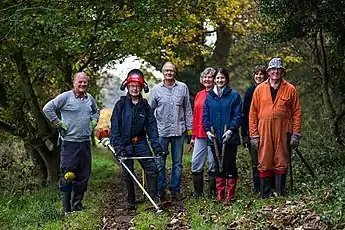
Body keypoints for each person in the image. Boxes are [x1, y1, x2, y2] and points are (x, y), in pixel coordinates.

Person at [43, 72, 100, 215]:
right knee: (68, 175)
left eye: (85, 82)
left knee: (83, 176)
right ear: (74, 83)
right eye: (80, 82)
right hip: (69, 143)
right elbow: (47, 108)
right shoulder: (65, 97)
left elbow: (96, 111)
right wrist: (58, 123)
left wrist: (94, 120)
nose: (82, 84)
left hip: (85, 143)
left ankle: (77, 206)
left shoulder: (89, 98)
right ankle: (66, 209)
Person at [110, 69, 164, 210]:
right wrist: (119, 149)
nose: (134, 88)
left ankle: (154, 199)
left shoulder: (145, 106)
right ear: (127, 87)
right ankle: (131, 202)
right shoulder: (120, 105)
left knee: (152, 169)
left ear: (142, 87)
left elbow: (152, 128)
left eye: (137, 86)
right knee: (128, 173)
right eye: (132, 85)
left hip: (140, 142)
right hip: (124, 143)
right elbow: (115, 130)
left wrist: (157, 147)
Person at [249, 58, 302, 198]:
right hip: (263, 130)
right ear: (268, 72)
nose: (275, 72)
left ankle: (279, 192)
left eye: (278, 69)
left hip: (283, 130)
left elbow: (297, 112)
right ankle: (265, 194)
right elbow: (252, 113)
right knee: (264, 160)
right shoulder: (259, 89)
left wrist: (296, 134)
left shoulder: (290, 89)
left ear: (282, 71)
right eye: (273, 69)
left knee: (281, 160)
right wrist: (254, 135)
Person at [149, 61, 193, 201]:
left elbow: (187, 109)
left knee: (177, 163)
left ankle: (175, 190)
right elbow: (150, 111)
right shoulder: (156, 90)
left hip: (178, 131)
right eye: (166, 70)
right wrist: (150, 131)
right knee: (160, 162)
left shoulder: (182, 87)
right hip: (161, 132)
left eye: (171, 71)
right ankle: (160, 190)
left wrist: (190, 131)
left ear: (175, 72)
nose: (169, 73)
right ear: (163, 72)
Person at [202, 68, 242, 203]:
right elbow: (205, 115)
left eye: (222, 78)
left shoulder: (234, 95)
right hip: (214, 137)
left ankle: (230, 194)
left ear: (226, 79)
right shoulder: (209, 97)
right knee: (218, 164)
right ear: (214, 80)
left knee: (229, 163)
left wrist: (231, 130)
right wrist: (207, 130)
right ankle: (220, 194)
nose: (220, 80)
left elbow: (238, 115)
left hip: (230, 136)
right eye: (218, 78)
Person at [190, 67, 216, 197]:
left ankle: (213, 191)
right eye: (205, 77)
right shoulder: (199, 95)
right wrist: (193, 136)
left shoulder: (217, 94)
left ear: (214, 79)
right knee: (196, 162)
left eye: (210, 77)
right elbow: (195, 116)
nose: (207, 79)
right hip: (199, 134)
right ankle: (198, 192)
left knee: (213, 162)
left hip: (213, 134)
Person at [242, 65, 268, 193]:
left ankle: (269, 186)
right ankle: (257, 187)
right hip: (253, 131)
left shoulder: (270, 89)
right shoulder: (249, 92)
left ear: (266, 75)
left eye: (261, 74)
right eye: (256, 74)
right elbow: (245, 114)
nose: (258, 76)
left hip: (268, 130)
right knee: (255, 160)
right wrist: (245, 135)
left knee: (268, 158)